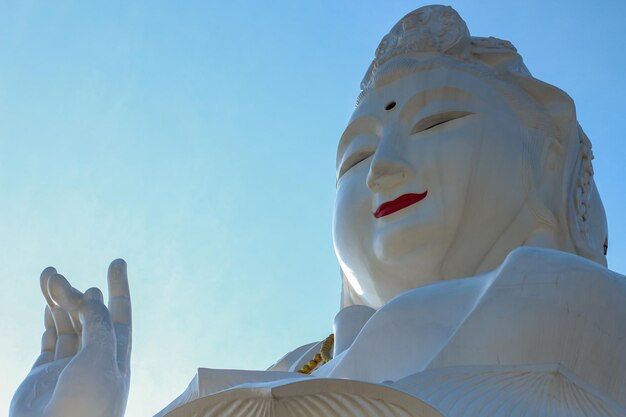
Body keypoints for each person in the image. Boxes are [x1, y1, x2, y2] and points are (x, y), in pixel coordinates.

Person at [10, 5, 626, 417]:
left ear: (548, 156)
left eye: (440, 120)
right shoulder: (271, 379)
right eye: (354, 159)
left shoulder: (587, 331)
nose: (382, 168)